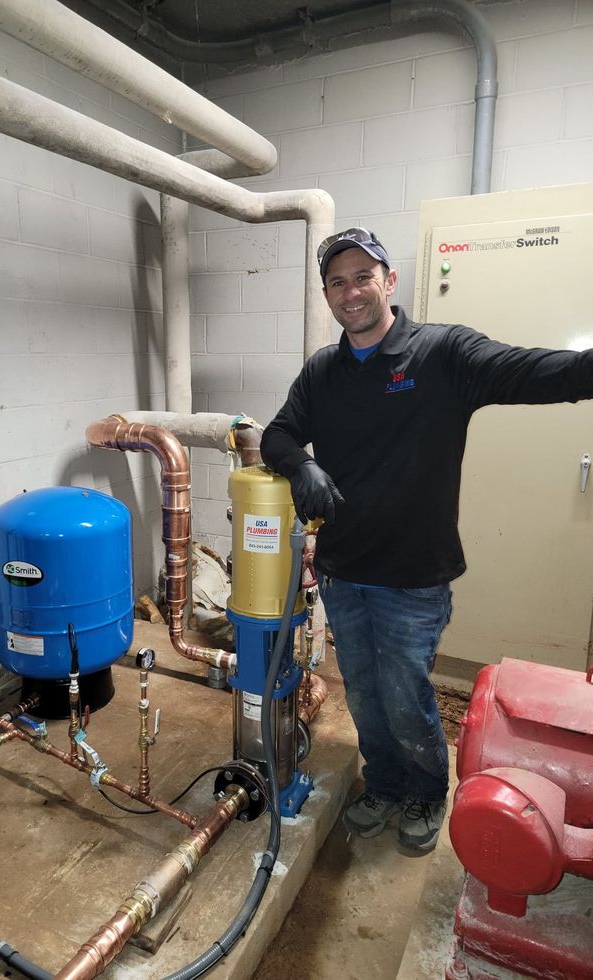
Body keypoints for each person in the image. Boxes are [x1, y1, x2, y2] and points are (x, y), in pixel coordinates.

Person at [260, 227, 593, 853]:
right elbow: (276, 435)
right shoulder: (323, 372)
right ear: (327, 296)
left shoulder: (444, 354)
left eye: (363, 277)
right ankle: (383, 782)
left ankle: (424, 791)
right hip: (343, 569)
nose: (351, 291)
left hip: (413, 577)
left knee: (406, 694)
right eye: (337, 282)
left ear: (389, 281)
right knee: (360, 689)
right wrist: (300, 466)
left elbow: (544, 371)